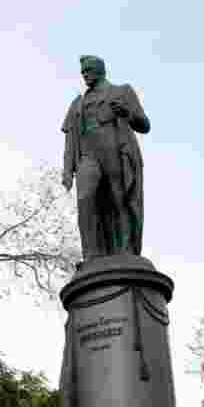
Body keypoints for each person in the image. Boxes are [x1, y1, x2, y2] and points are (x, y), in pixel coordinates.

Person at [61, 55, 150, 258]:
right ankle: (92, 255)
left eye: (88, 70)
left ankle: (125, 250)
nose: (85, 75)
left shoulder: (121, 91)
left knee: (118, 199)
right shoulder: (78, 103)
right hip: (87, 156)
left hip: (115, 151)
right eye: (83, 72)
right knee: (85, 198)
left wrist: (127, 113)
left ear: (100, 70)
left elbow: (144, 125)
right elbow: (69, 141)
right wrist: (67, 170)